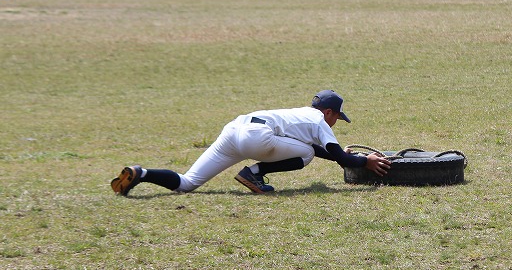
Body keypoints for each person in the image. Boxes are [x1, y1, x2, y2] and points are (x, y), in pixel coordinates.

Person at [110, 90, 392, 196]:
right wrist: (364, 161)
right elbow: (334, 157)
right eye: (337, 118)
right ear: (329, 112)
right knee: (306, 154)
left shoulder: (297, 114)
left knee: (187, 183)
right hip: (258, 138)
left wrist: (342, 154)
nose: (335, 123)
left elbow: (325, 151)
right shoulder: (318, 121)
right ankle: (254, 174)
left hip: (234, 130)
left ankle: (141, 174)